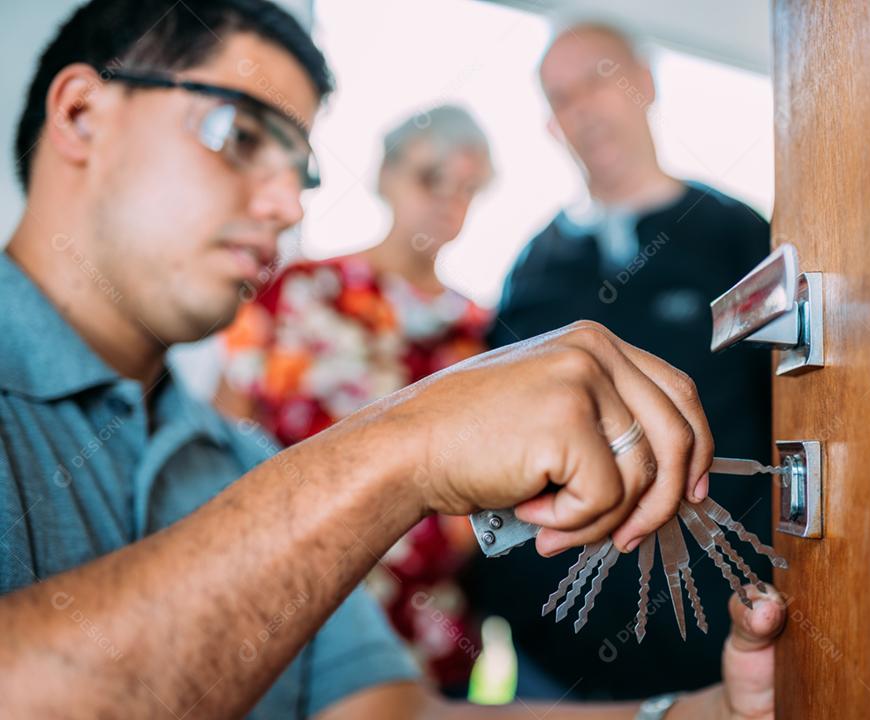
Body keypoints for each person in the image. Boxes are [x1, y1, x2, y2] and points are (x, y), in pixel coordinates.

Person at [0, 2, 785, 718]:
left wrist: (701, 713)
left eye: (301, 171)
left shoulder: (232, 465)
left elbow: (388, 713)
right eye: (238, 136)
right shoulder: (281, 455)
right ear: (79, 112)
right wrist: (404, 446)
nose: (288, 205)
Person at [468, 21, 774, 701]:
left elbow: (793, 412)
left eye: (598, 80)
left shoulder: (737, 235)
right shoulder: (534, 262)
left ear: (644, 84)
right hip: (554, 655)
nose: (582, 108)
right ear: (551, 124)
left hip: (714, 643)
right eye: (561, 96)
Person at [215, 105, 494, 694]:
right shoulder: (295, 292)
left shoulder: (479, 332)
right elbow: (223, 431)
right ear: (386, 175)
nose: (447, 200)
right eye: (430, 177)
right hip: (286, 608)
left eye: (466, 187)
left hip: (423, 628)